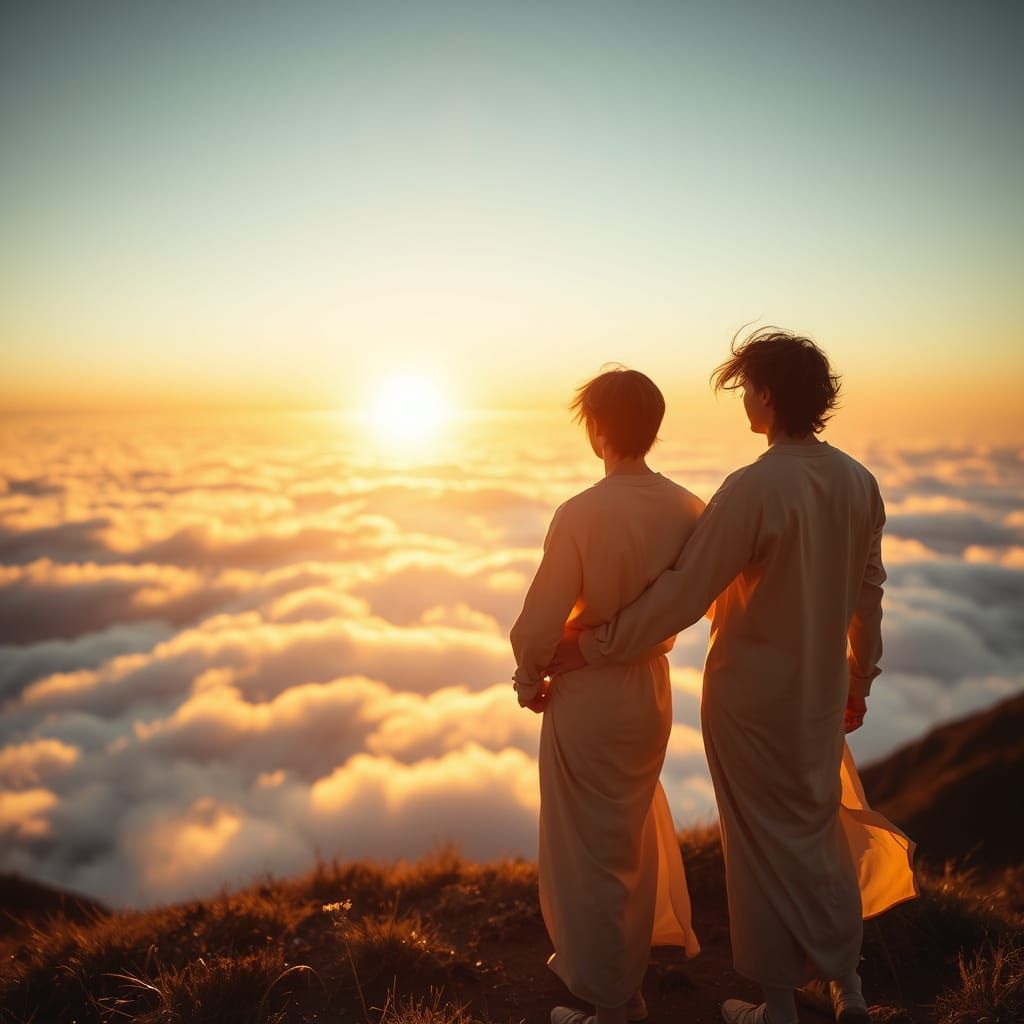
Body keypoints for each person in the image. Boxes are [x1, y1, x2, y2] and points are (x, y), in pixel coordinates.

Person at [550, 330, 916, 1024]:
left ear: (768, 395)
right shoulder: (857, 482)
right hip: (820, 692)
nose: (744, 399)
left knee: (759, 846)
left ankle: (777, 1006)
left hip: (749, 699)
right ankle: (848, 985)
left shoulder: (752, 489)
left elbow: (685, 592)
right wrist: (858, 680)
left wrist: (595, 645)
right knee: (817, 828)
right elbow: (868, 596)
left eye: (748, 388)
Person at [510, 367, 703, 1024]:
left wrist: (528, 676)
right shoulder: (688, 509)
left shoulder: (580, 513)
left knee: (585, 853)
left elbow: (539, 623)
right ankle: (627, 989)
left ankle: (610, 1004)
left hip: (587, 696)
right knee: (629, 838)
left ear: (596, 429)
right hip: (649, 691)